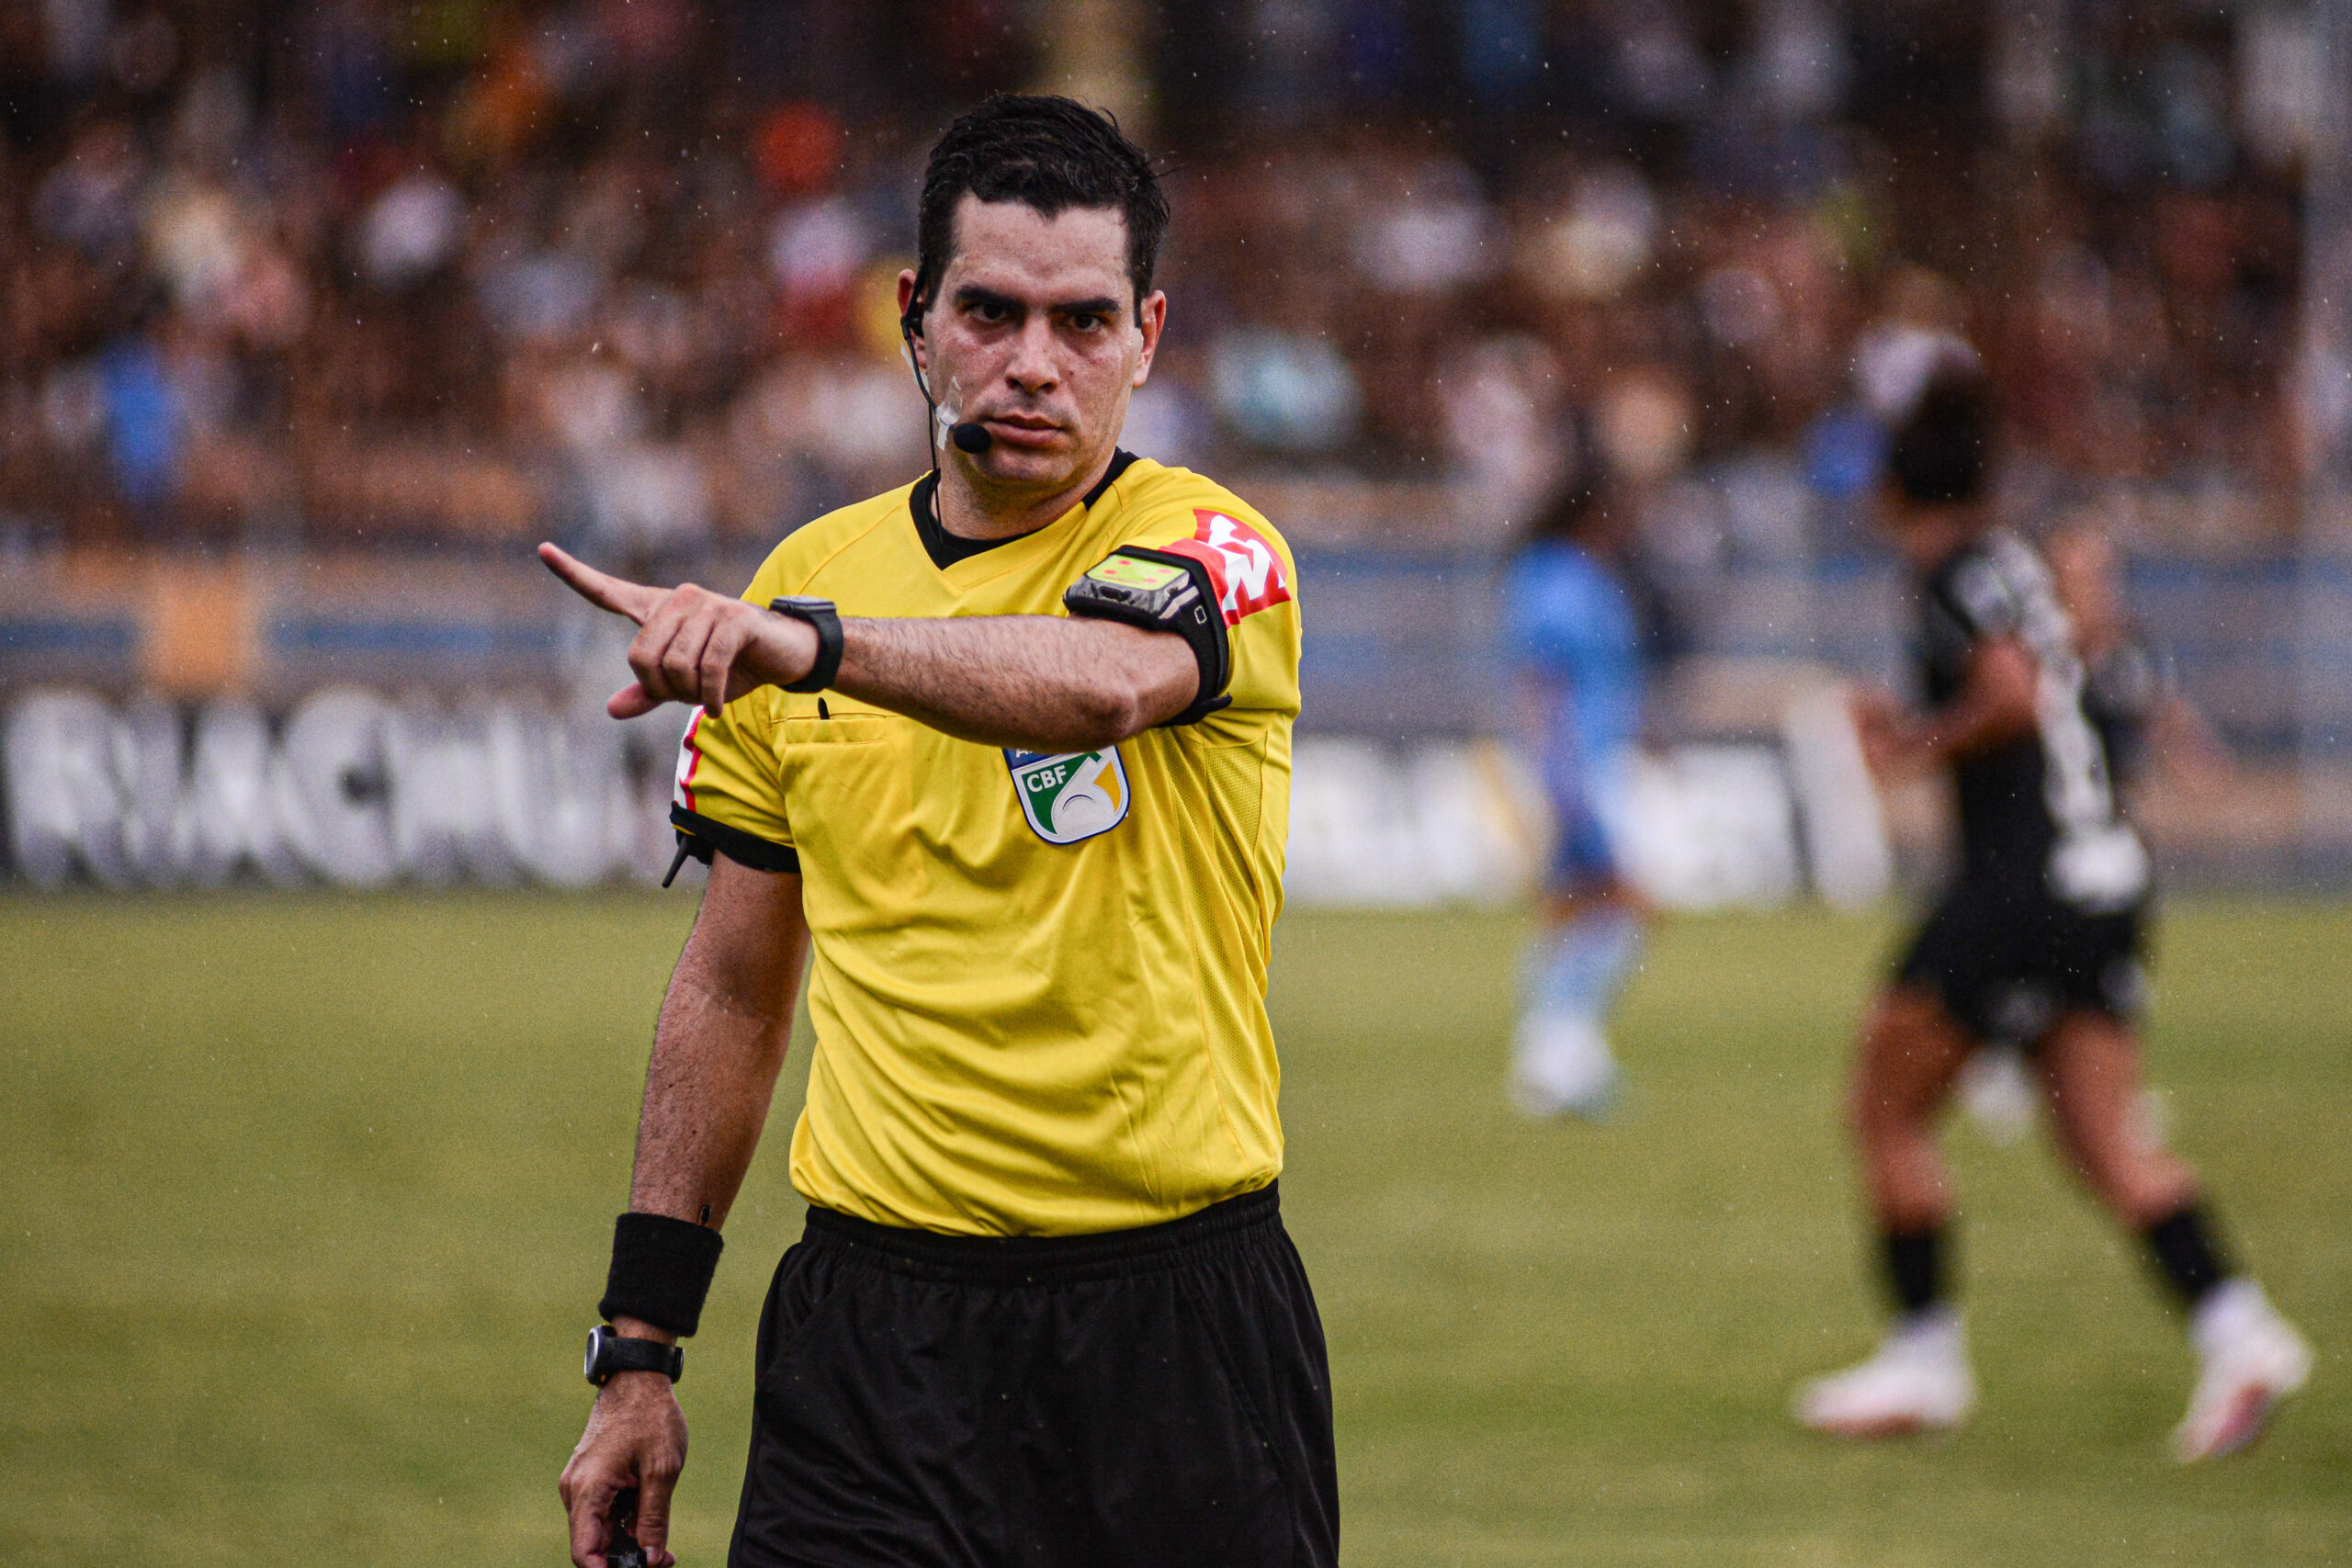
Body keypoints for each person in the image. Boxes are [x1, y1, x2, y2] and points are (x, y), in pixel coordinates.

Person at [543, 97, 1333, 1568]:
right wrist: (637, 1346)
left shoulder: (1214, 547)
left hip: (1177, 1328)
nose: (1035, 362)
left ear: (1149, 333)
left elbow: (1099, 685)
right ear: (914, 317)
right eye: (989, 310)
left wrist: (813, 646)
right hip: (874, 1339)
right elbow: (732, 986)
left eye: (1085, 321)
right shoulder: (809, 575)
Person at [1792, 370, 2312, 1461]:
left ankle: (1922, 1362)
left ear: (1892, 486)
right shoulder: (2014, 560)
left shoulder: (1951, 571)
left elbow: (2010, 696)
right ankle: (2243, 1335)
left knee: (1881, 1107)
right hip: (2101, 876)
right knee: (2100, 1141)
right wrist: (1930, 726)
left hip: (2018, 889)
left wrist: (1912, 744)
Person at [1500, 440, 1655, 1117]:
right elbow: (1544, 688)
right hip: (1577, 769)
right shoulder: (1558, 579)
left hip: (1596, 759)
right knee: (1619, 905)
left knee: (1576, 907)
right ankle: (1557, 1050)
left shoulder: (1583, 575)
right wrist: (1563, 781)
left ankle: (1558, 1056)